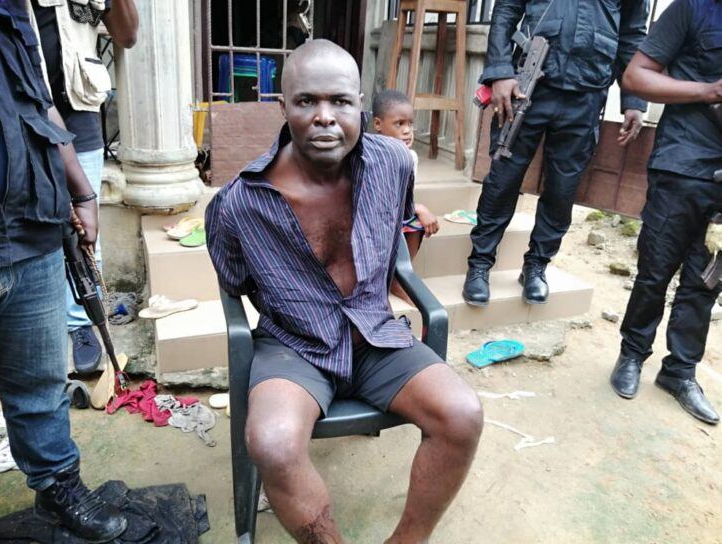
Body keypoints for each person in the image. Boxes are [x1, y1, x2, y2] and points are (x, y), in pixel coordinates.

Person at [206, 39, 483, 543]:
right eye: (306, 101)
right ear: (283, 107)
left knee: (462, 415)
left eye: (340, 101)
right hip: (293, 345)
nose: (324, 117)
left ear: (361, 106)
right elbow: (235, 282)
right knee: (272, 443)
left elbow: (398, 227)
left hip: (376, 334)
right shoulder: (238, 204)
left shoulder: (393, 164)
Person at [0, 0, 127, 540]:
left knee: (41, 383)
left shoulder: (10, 13)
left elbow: (43, 105)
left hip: (28, 225)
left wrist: (82, 191)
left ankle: (57, 487)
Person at [463, 0, 649, 307]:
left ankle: (537, 265)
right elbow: (506, 10)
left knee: (563, 189)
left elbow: (631, 35)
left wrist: (634, 99)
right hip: (529, 84)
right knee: (503, 180)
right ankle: (480, 263)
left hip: (587, 93)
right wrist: (500, 72)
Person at [609, 0, 721, 425]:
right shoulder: (694, 9)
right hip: (682, 165)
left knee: (707, 280)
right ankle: (632, 354)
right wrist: (709, 91)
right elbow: (636, 76)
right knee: (656, 268)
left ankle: (680, 372)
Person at [28, 0, 138, 374]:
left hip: (78, 111)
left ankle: (80, 325)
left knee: (85, 234)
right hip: (18, 114)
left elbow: (127, 35)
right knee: (28, 227)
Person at [372, 89, 440, 304]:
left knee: (416, 222)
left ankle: (399, 277)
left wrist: (415, 209)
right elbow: (377, 199)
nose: (407, 131)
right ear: (378, 124)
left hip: (394, 215)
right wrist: (419, 207)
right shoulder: (371, 155)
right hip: (371, 218)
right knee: (415, 213)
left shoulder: (410, 156)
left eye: (410, 124)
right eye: (399, 124)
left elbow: (404, 196)